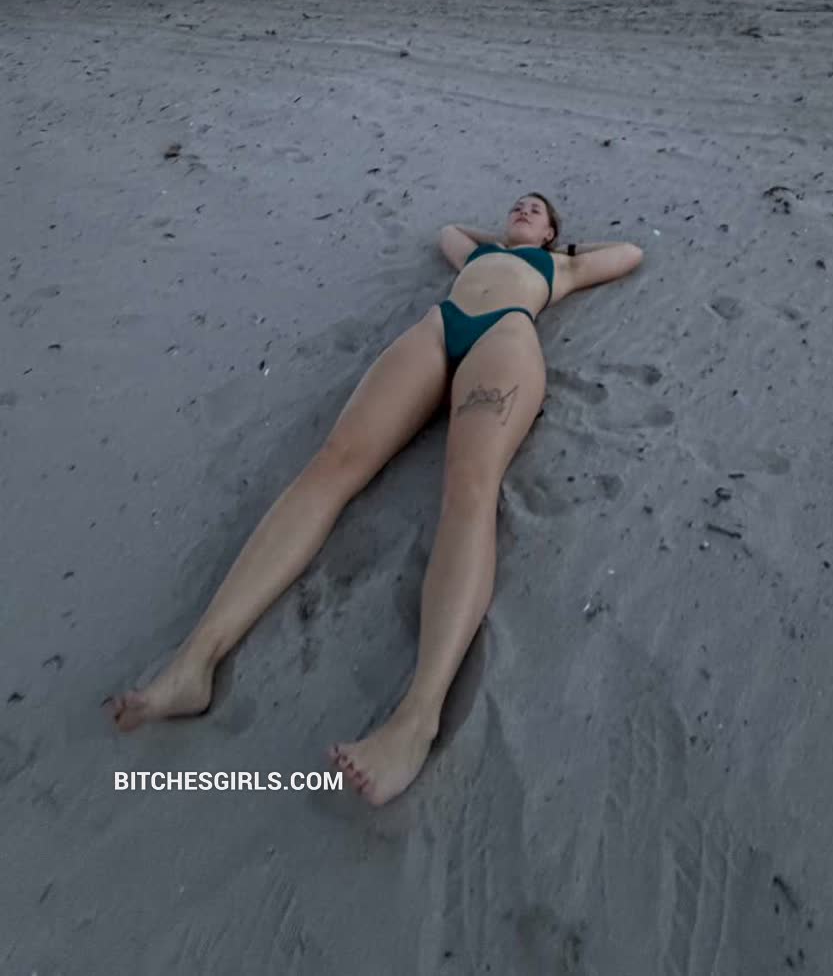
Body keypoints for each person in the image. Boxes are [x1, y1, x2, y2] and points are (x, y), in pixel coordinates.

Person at [108, 190, 643, 805]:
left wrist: (559, 248)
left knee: (470, 486)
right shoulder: (476, 254)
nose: (523, 210)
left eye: (536, 210)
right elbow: (449, 231)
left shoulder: (561, 267)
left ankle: (416, 720)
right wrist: (503, 238)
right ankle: (194, 663)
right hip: (438, 328)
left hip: (506, 337)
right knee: (333, 463)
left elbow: (628, 253)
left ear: (552, 232)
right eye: (516, 205)